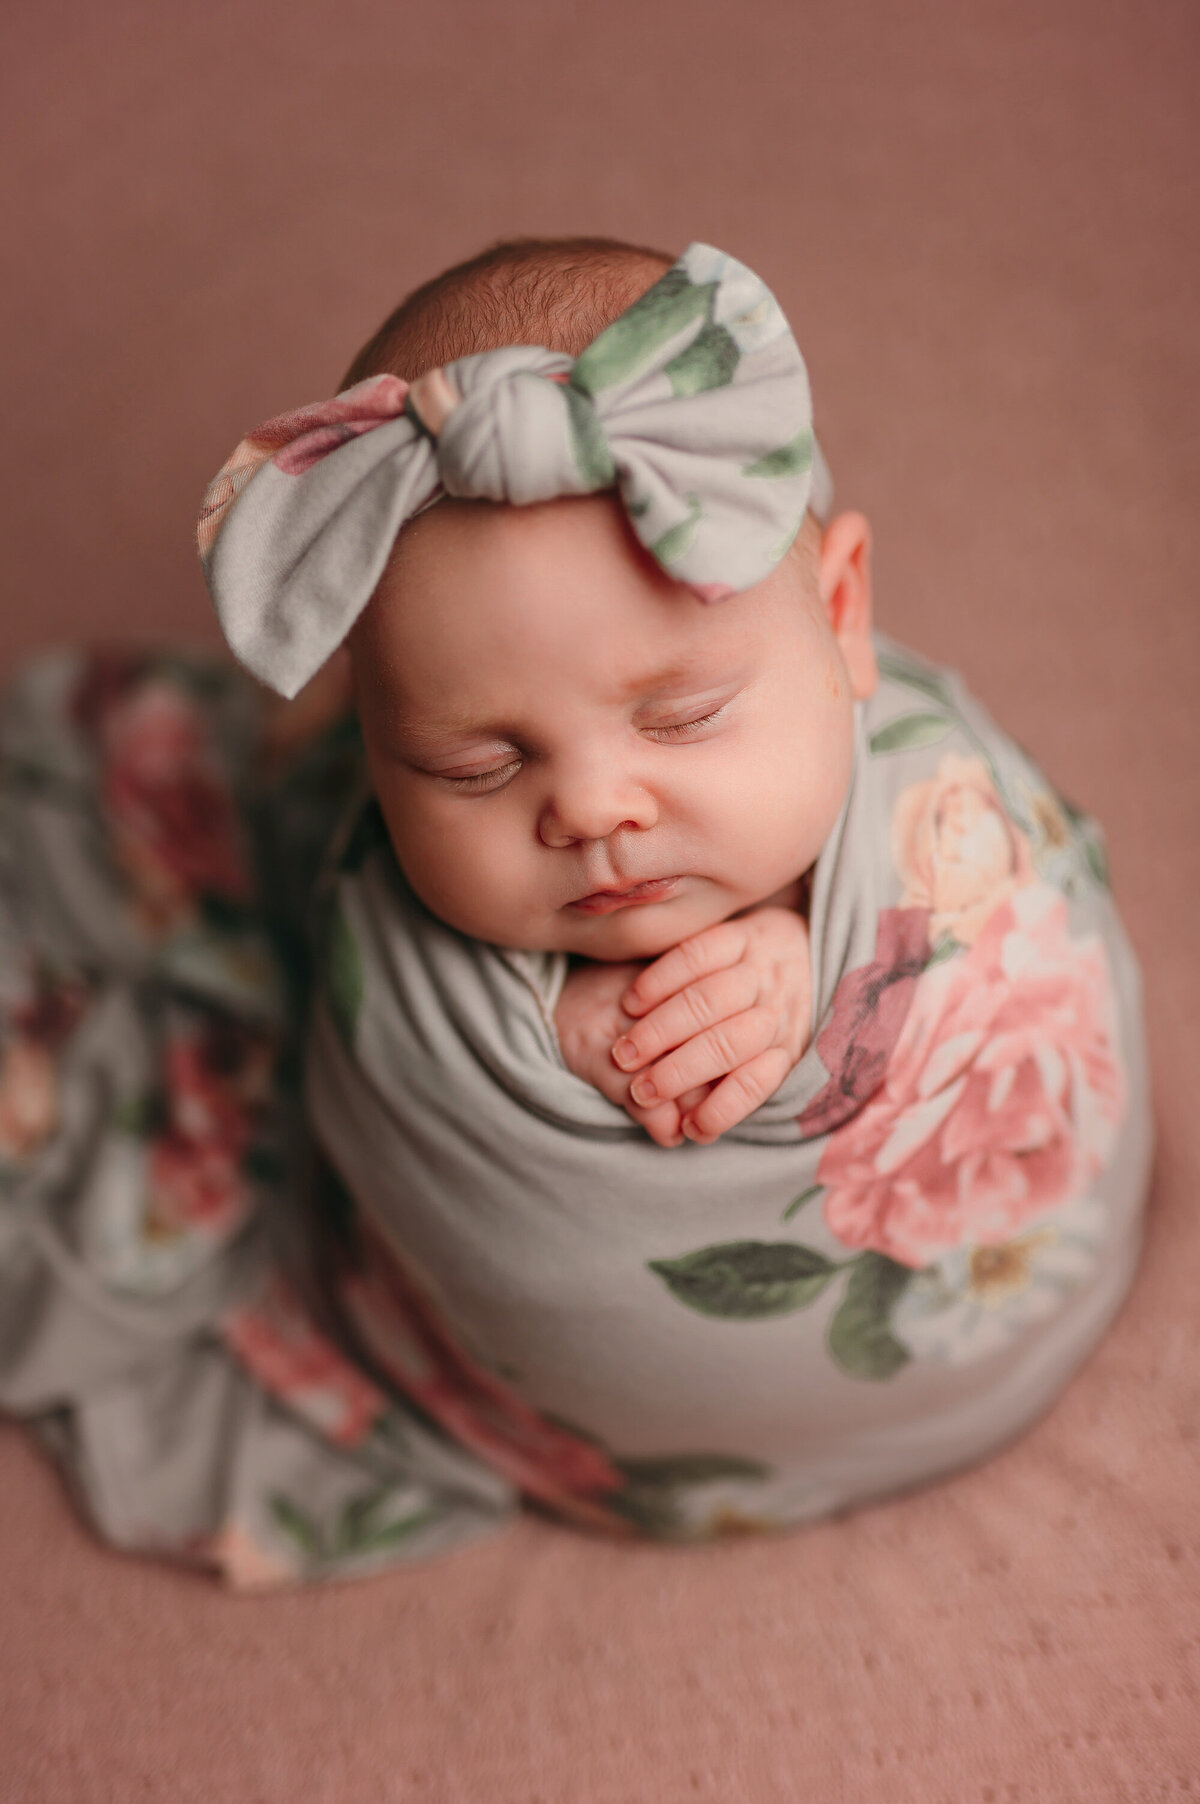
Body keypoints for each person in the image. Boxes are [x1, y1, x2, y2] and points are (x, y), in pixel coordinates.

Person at [0, 239, 1152, 1587]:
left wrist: (812, 969)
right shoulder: (406, 920)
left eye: (682, 715)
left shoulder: (941, 796)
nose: (595, 809)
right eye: (471, 766)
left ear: (843, 616)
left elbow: (992, 922)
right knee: (355, 941)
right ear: (372, 739)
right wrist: (550, 1022)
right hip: (599, 1435)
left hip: (1008, 1327)